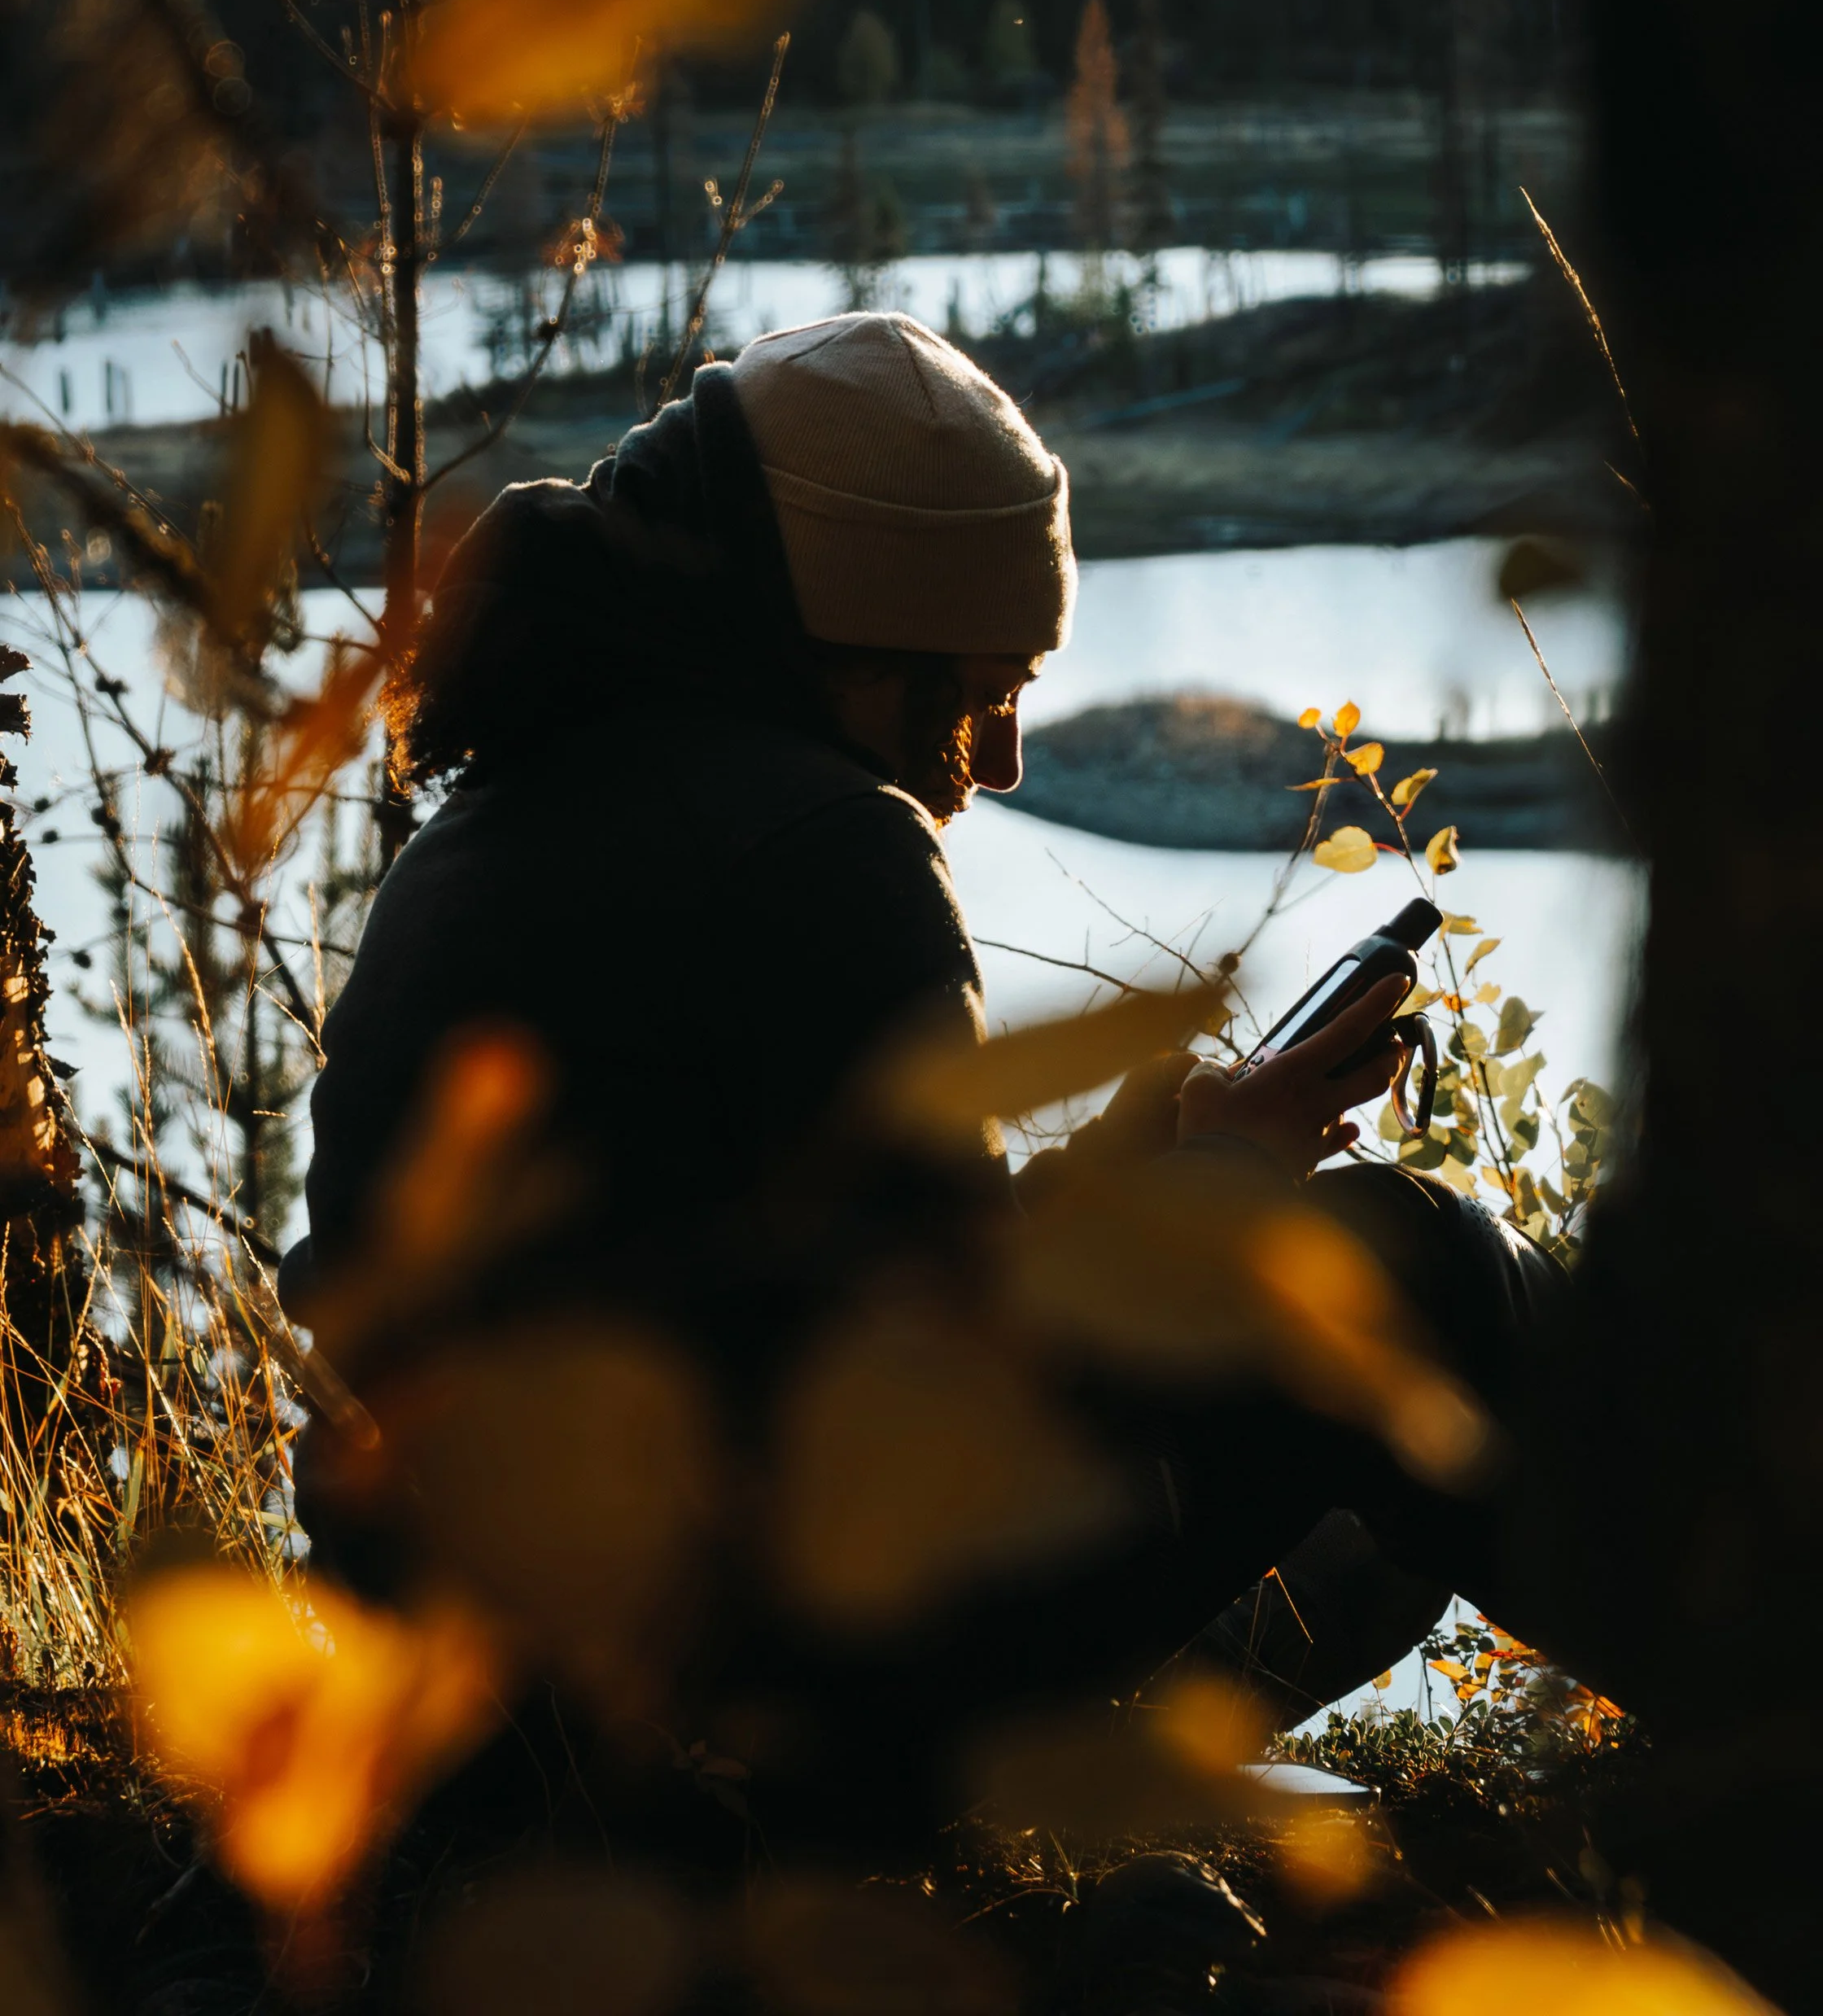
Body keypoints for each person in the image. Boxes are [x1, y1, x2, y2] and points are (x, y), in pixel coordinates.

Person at [280, 311, 1561, 1882]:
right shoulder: (821, 845)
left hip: (517, 1731)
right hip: (746, 1730)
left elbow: (821, 1294)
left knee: (1371, 1545)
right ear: (857, 644)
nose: (1007, 757)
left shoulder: (525, 803)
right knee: (1409, 1263)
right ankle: (1765, 1725)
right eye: (987, 687)